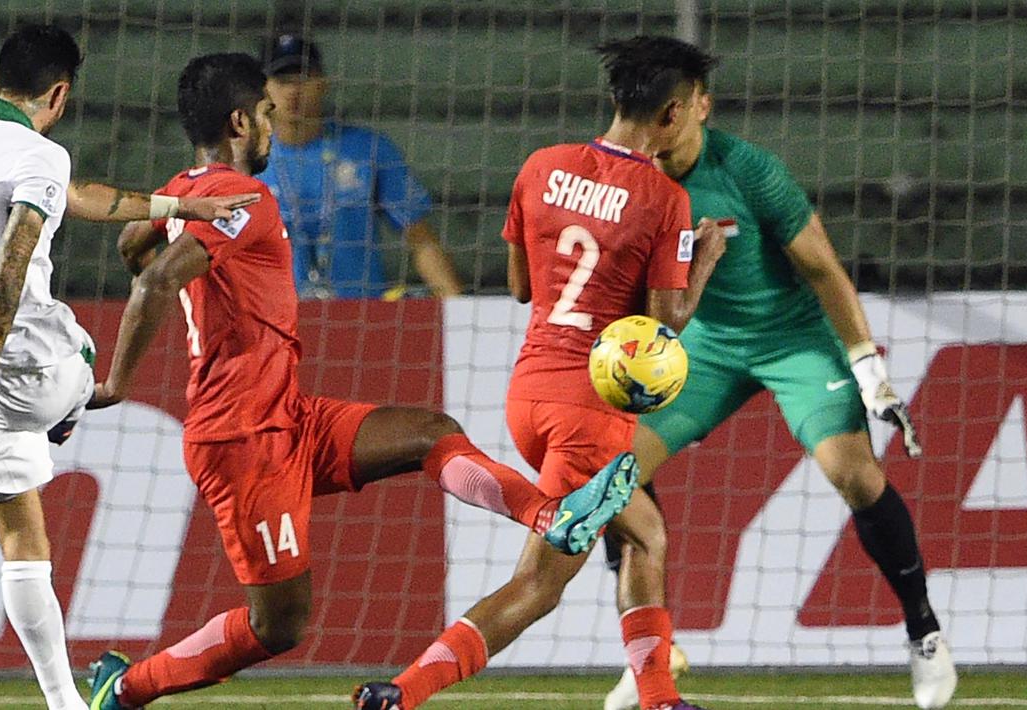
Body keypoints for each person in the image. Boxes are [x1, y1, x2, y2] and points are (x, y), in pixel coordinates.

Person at [81, 52, 638, 710]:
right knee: (278, 625)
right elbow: (154, 278)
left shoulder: (181, 188)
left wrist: (143, 244)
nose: (272, 123)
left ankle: (550, 516)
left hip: (289, 416)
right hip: (242, 439)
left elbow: (136, 250)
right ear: (239, 121)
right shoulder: (246, 196)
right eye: (263, 113)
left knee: (429, 433)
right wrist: (116, 381)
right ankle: (125, 690)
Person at [353, 37, 728, 710]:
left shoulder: (541, 166)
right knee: (538, 584)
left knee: (645, 533)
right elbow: (660, 324)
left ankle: (659, 698)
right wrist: (702, 259)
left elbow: (522, 285)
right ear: (672, 113)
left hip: (529, 392)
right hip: (591, 408)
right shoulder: (662, 196)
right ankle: (400, 694)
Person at [599, 36, 958, 710]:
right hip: (700, 347)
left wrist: (866, 371)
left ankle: (924, 631)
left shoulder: (750, 171)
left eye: (672, 112)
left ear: (698, 107)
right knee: (613, 474)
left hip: (791, 339)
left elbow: (822, 268)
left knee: (850, 472)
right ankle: (652, 652)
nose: (659, 130)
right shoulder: (623, 178)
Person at [0, 25, 257, 710]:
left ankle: (63, 701)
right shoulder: (35, 153)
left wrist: (180, 204)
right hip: (20, 368)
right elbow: (12, 261)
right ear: (59, 94)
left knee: (20, 539)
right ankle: (64, 416)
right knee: (86, 348)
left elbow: (79, 193)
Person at [256, 33, 462, 300]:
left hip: (361, 317)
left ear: (323, 83)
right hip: (275, 317)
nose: (294, 90)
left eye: (304, 78)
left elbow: (420, 238)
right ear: (263, 90)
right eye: (283, 81)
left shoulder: (367, 149)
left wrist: (456, 306)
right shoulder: (247, 160)